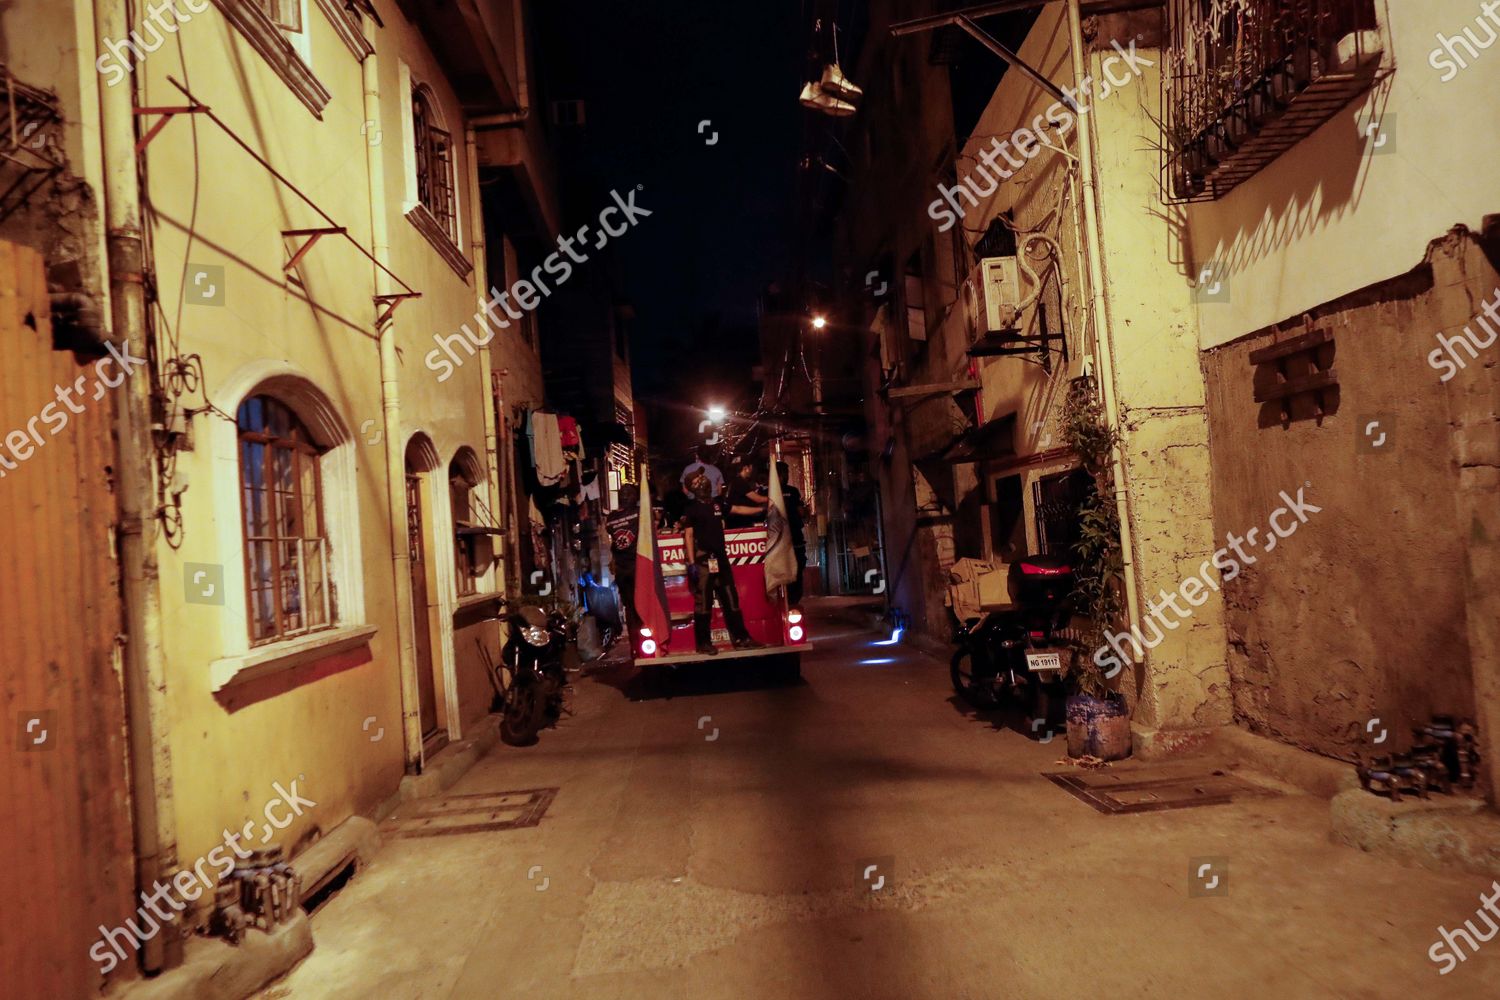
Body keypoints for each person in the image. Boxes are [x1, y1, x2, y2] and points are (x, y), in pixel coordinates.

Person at [679, 472, 762, 654]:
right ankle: (703, 643)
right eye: (696, 480)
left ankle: (742, 638)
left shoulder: (717, 503)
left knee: (731, 600)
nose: (702, 481)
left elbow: (738, 509)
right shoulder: (691, 509)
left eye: (702, 478)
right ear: (692, 488)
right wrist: (692, 563)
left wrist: (762, 509)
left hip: (721, 559)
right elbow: (689, 535)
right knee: (704, 604)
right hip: (703, 561)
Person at [777, 461, 808, 607]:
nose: (786, 476)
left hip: (779, 540)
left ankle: (788, 601)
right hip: (792, 538)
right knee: (796, 570)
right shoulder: (793, 491)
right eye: (785, 473)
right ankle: (793, 602)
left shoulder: (767, 492)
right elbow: (801, 512)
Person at [724, 456, 769, 528]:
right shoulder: (740, 482)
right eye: (751, 467)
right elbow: (758, 499)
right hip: (739, 521)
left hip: (733, 520)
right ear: (746, 468)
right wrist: (773, 498)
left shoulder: (733, 481)